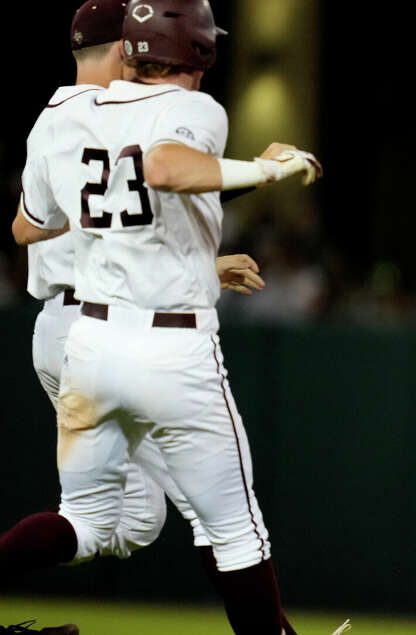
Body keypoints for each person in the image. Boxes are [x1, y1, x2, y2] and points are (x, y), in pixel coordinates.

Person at [0, 2, 327, 634]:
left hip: (88, 342)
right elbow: (162, 169)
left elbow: (31, 226)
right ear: (200, 51)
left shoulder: (72, 115)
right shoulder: (191, 109)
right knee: (233, 530)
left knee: (104, 522)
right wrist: (266, 169)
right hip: (166, 345)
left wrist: (194, 252)